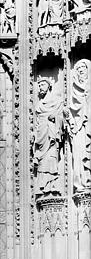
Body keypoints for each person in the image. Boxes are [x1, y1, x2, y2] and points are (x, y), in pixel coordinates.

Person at [33, 78, 63, 197]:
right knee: (42, 160)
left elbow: (61, 118)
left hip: (51, 135)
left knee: (51, 157)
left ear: (49, 86)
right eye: (39, 85)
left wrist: (55, 117)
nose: (40, 87)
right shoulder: (39, 105)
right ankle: (42, 186)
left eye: (43, 84)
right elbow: (36, 124)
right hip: (41, 136)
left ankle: (52, 185)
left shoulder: (56, 101)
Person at [64, 59, 91, 192]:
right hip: (79, 130)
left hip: (88, 128)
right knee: (79, 155)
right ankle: (81, 184)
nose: (81, 72)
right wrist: (69, 118)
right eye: (78, 70)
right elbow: (71, 113)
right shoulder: (74, 92)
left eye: (83, 69)